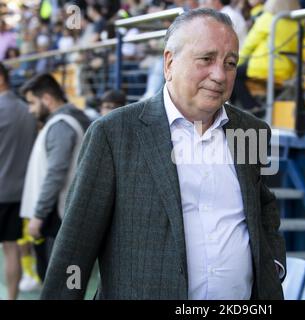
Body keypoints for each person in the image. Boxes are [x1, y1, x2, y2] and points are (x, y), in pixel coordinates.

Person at [40, 8, 286, 300]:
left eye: (230, 63)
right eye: (206, 59)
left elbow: (263, 206)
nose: (219, 74)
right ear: (169, 62)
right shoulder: (114, 133)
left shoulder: (251, 130)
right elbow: (76, 244)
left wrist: (273, 265)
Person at [19, 74, 91, 282]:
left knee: (58, 283)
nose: (31, 110)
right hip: (64, 213)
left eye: (32, 103)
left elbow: (55, 174)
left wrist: (38, 215)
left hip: (56, 217)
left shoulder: (61, 125)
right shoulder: (71, 119)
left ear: (47, 99)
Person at [0, 63, 37, 299]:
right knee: (13, 248)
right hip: (23, 192)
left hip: (2, 190)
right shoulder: (28, 109)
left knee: (11, 249)